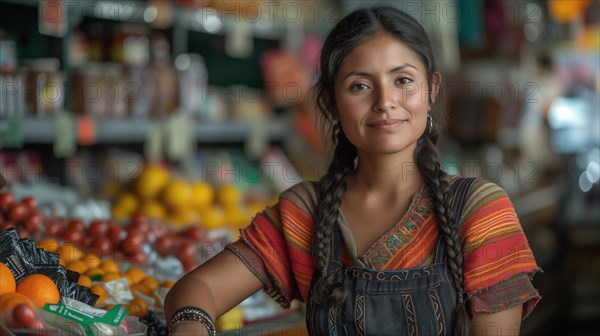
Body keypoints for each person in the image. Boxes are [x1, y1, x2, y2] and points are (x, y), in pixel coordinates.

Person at [164, 6, 541, 336]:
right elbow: (199, 289)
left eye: (403, 80)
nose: (385, 102)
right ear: (331, 102)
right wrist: (192, 322)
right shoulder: (305, 214)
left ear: (431, 89)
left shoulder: (479, 210)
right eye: (360, 85)